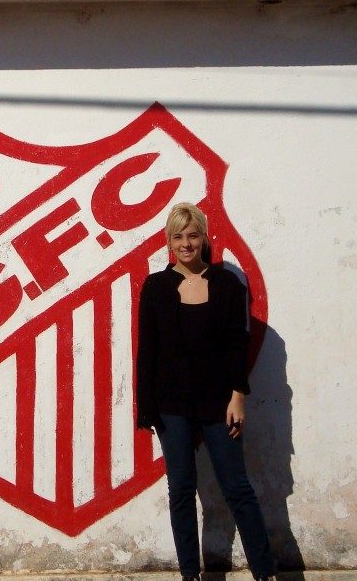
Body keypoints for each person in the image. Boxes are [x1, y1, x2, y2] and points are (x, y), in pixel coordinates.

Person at [136, 201, 277, 581]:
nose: (186, 243)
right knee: (182, 489)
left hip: (219, 402)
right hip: (171, 404)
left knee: (237, 488)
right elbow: (147, 349)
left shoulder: (227, 284)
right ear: (169, 241)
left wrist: (238, 397)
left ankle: (265, 573)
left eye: (193, 235)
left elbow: (237, 343)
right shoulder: (156, 286)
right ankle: (189, 575)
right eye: (178, 236)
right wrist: (145, 408)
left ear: (204, 239)